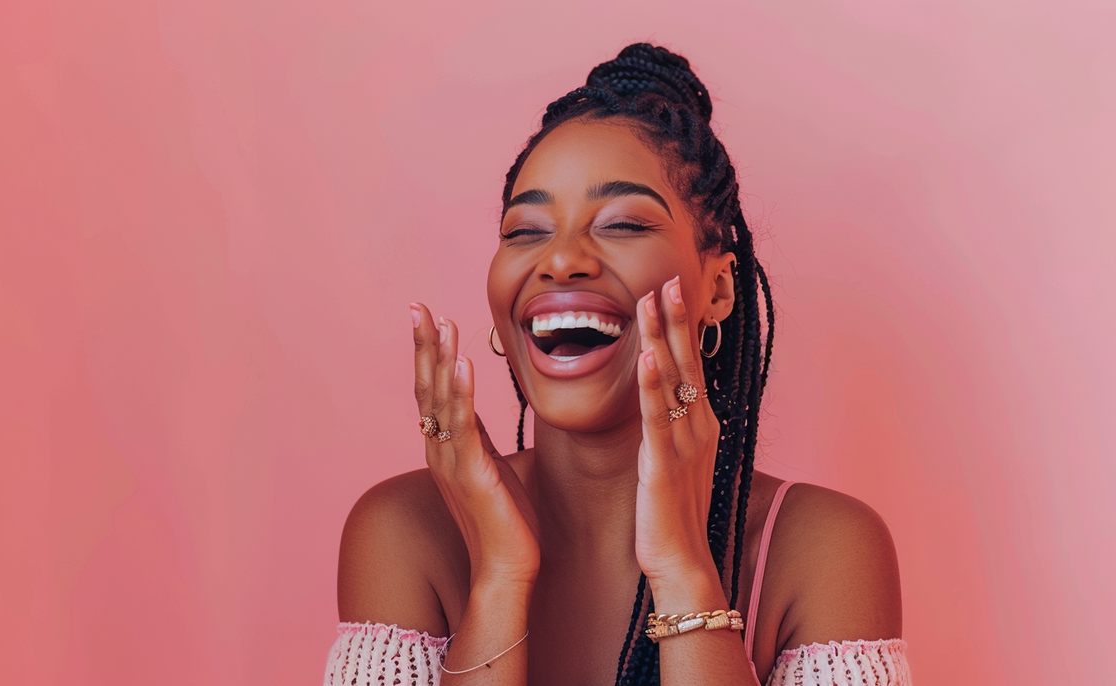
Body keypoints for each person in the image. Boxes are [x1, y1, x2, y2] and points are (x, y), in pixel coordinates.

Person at [325, 44, 909, 686]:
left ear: (717, 289)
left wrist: (685, 567)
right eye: (525, 232)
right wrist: (499, 577)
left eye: (624, 224)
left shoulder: (825, 548)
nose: (560, 259)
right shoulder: (405, 531)